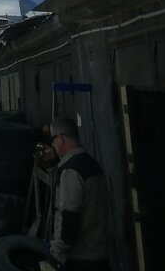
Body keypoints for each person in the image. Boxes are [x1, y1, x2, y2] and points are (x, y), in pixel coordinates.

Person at [38, 116, 111, 271]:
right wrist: (51, 162)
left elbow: (69, 222)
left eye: (53, 139)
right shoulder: (91, 164)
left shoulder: (71, 171)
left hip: (81, 259)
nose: (52, 145)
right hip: (99, 255)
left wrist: (56, 255)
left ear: (61, 139)